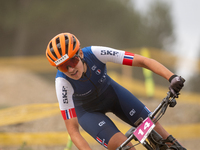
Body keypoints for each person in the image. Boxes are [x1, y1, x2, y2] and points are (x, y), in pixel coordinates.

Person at [45, 32, 185, 150]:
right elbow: (73, 131)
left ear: (80, 53)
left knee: (158, 133)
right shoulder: (62, 83)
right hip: (89, 113)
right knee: (125, 146)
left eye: (73, 62)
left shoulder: (95, 53)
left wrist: (171, 77)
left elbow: (142, 61)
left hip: (113, 95)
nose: (71, 70)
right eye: (63, 67)